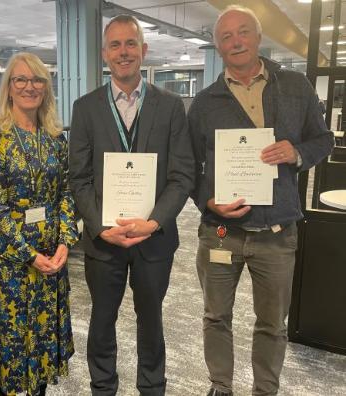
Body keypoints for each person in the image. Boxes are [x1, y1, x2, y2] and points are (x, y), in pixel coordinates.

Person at [188, 6, 334, 396]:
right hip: (221, 233)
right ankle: (221, 386)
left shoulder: (295, 86)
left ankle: (265, 390)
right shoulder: (204, 103)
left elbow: (325, 140)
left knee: (272, 323)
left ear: (258, 36)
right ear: (217, 45)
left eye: (243, 33)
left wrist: (297, 151)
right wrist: (208, 201)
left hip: (276, 232)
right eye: (226, 36)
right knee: (216, 317)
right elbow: (187, 166)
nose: (236, 42)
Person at [69, 15, 195, 396]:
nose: (123, 52)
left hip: (153, 241)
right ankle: (102, 387)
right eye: (115, 45)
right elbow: (79, 177)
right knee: (102, 320)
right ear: (105, 54)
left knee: (152, 320)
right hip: (103, 240)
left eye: (130, 44)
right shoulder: (86, 107)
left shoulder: (171, 106)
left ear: (144, 50)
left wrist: (154, 223)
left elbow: (182, 175)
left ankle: (152, 387)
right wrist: (98, 225)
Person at [0, 52, 79, 396]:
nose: (29, 86)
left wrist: (66, 240)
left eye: (36, 80)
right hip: (11, 262)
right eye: (20, 79)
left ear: (45, 88)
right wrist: (28, 254)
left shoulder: (55, 136)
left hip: (51, 256)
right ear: (8, 88)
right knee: (12, 346)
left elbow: (66, 191)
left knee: (41, 345)